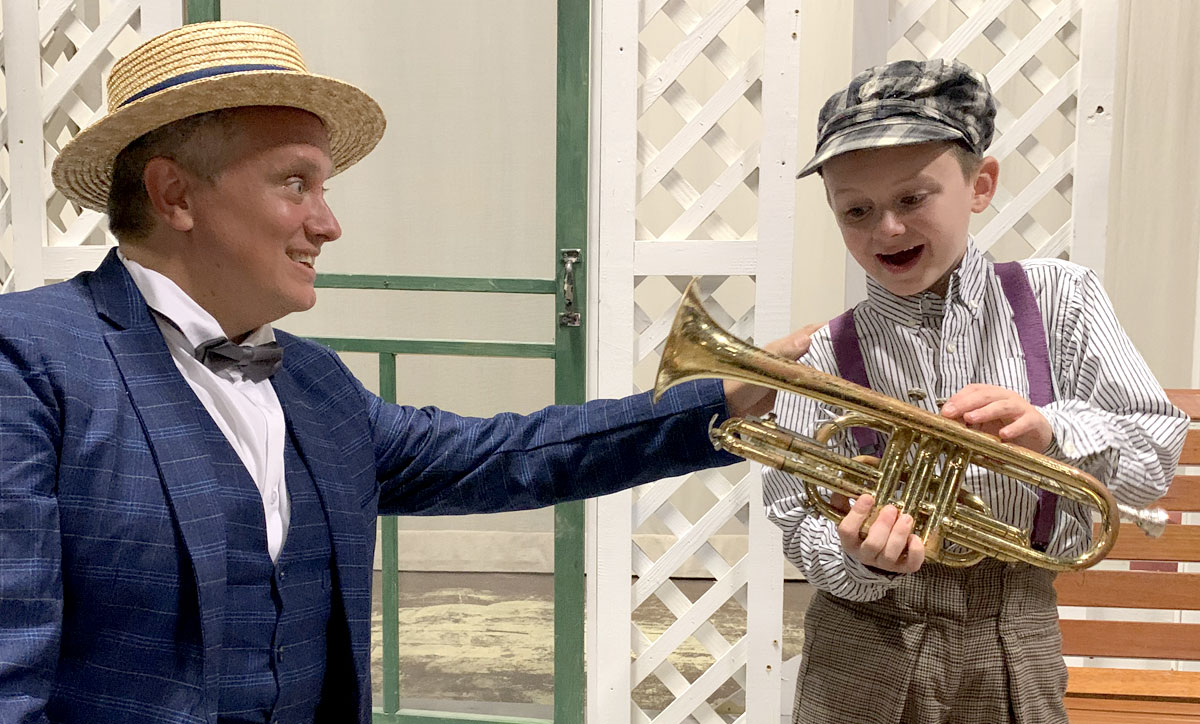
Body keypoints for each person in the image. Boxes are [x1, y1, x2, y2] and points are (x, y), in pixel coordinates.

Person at [0, 21, 812, 724]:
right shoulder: (30, 361)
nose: (329, 223)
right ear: (174, 193)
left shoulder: (314, 384)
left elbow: (503, 455)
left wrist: (727, 397)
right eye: (295, 183)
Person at [762, 58, 1188, 724]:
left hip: (1014, 634)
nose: (888, 230)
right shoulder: (823, 356)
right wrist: (856, 557)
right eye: (857, 210)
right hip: (860, 645)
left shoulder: (1062, 301)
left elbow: (1154, 459)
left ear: (980, 185)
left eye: (912, 198)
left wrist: (1053, 428)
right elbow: (795, 517)